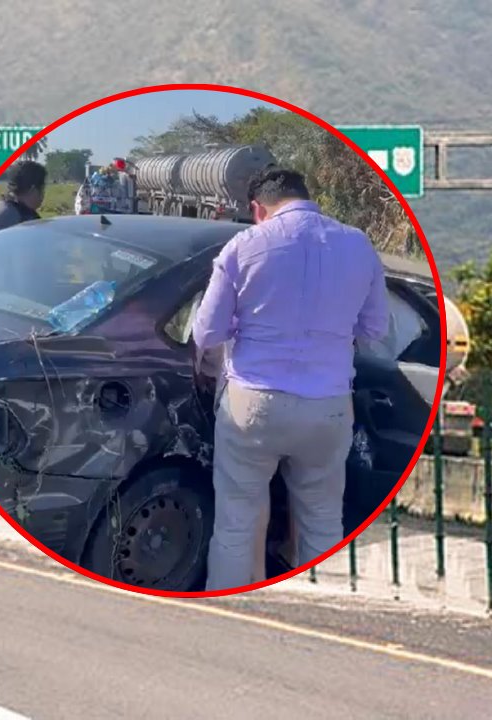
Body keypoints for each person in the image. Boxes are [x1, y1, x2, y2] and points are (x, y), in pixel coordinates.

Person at [191, 167, 390, 591]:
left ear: (257, 209)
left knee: (236, 526)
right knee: (322, 523)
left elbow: (205, 333)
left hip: (253, 404)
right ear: (307, 196)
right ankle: (325, 619)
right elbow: (375, 331)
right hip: (329, 406)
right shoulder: (358, 245)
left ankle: (227, 616)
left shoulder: (244, 245)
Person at [0, 159, 46, 236]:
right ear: (33, 190)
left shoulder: (21, 211)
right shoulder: (6, 216)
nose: (43, 194)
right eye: (42, 188)